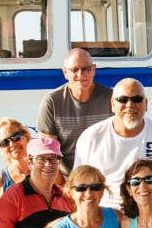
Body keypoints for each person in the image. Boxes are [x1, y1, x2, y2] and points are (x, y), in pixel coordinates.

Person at [73, 78, 152, 209]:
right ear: (112, 104)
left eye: (137, 99)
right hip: (105, 214)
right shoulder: (91, 137)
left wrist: (143, 197)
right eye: (122, 99)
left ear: (146, 104)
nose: (130, 104)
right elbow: (77, 187)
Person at [37, 48, 114, 176]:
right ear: (65, 72)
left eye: (86, 69)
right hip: (68, 179)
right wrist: (64, 186)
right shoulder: (52, 102)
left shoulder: (113, 99)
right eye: (74, 70)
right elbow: (48, 154)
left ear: (94, 69)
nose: (81, 74)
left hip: (106, 177)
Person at [0, 117, 31, 220]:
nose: (12, 144)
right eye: (4, 142)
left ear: (26, 136)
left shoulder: (47, 171)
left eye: (16, 137)